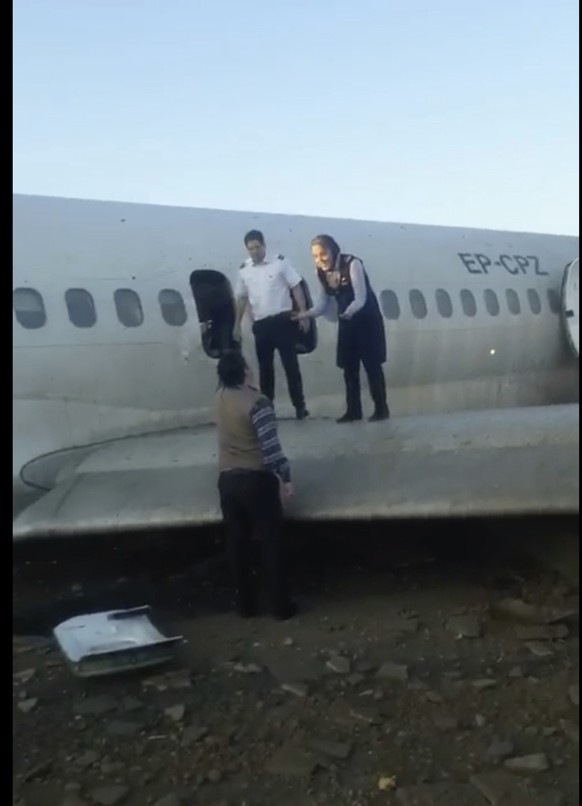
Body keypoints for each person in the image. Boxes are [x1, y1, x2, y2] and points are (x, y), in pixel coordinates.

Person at [215, 350, 298, 620]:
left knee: (237, 545)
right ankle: (281, 607)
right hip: (255, 481)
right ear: (245, 372)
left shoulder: (219, 398)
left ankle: (246, 607)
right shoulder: (258, 403)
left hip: (227, 481)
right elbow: (271, 449)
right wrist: (285, 479)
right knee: (271, 543)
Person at [294, 234, 389, 423]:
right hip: (347, 320)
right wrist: (302, 315)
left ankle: (381, 408)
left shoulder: (352, 264)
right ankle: (353, 410)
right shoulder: (321, 272)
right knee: (348, 367)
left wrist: (348, 312)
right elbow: (322, 304)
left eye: (323, 254)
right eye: (315, 256)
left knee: (372, 366)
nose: (320, 259)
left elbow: (360, 298)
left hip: (366, 320)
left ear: (333, 250)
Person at [234, 229, 309, 420]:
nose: (254, 251)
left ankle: (300, 406)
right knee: (265, 369)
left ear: (264, 246)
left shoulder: (280, 263)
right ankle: (268, 408)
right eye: (250, 248)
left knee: (290, 365)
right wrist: (237, 325)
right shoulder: (244, 270)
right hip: (262, 324)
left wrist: (303, 314)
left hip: (282, 321)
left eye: (257, 247)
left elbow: (296, 286)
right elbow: (242, 299)